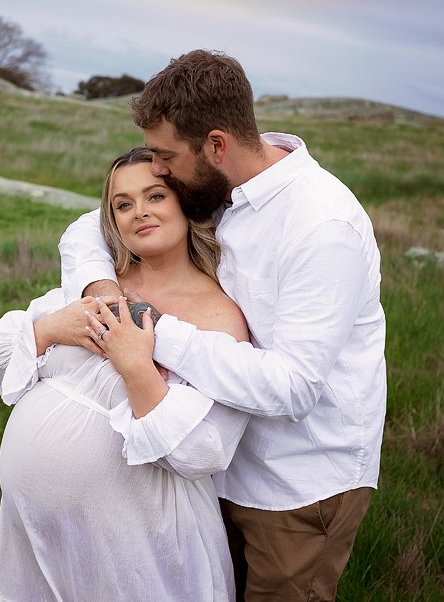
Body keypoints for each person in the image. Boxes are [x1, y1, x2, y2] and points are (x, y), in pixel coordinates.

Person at [59, 50, 387, 601]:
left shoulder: (321, 225)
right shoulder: (218, 186)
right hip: (214, 465)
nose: (158, 170)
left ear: (216, 144)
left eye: (165, 157)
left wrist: (154, 329)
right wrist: (103, 290)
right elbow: (84, 229)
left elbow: (294, 386)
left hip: (296, 484)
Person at [0, 147, 251, 601]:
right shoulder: (95, 286)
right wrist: (49, 329)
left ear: (185, 202)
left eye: (155, 196)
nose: (138, 212)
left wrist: (136, 367)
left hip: (139, 537)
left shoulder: (219, 317)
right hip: (40, 533)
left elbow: (204, 452)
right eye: (122, 204)